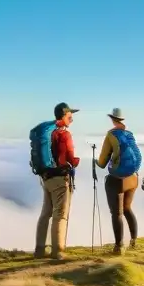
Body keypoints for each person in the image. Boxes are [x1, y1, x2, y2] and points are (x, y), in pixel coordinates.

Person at [34, 102, 81, 260]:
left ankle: (40, 249)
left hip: (45, 177)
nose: (72, 119)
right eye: (70, 116)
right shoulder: (63, 134)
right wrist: (76, 161)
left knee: (45, 213)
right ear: (64, 115)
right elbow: (67, 157)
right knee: (60, 214)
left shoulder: (48, 133)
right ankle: (58, 251)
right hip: (60, 178)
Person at [96, 107, 141, 255]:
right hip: (133, 178)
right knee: (127, 208)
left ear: (112, 119)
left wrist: (95, 161)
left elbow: (103, 162)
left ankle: (119, 246)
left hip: (117, 180)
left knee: (116, 213)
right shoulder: (130, 134)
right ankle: (134, 241)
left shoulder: (111, 135)